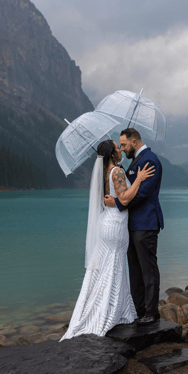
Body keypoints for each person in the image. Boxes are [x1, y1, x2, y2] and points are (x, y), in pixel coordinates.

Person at [59, 140, 154, 340]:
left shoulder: (103, 173)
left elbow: (111, 198)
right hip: (115, 226)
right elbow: (125, 198)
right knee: (113, 268)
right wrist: (138, 179)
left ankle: (101, 309)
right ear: (112, 154)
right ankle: (109, 312)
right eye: (117, 148)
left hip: (106, 224)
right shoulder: (117, 172)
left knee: (105, 269)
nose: (120, 150)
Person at [104, 128, 164, 325]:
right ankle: (139, 311)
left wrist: (118, 203)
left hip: (146, 223)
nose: (122, 148)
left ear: (135, 142)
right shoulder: (135, 161)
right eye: (120, 146)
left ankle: (151, 312)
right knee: (135, 270)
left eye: (124, 145)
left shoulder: (150, 160)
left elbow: (143, 194)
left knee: (148, 269)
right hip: (131, 225)